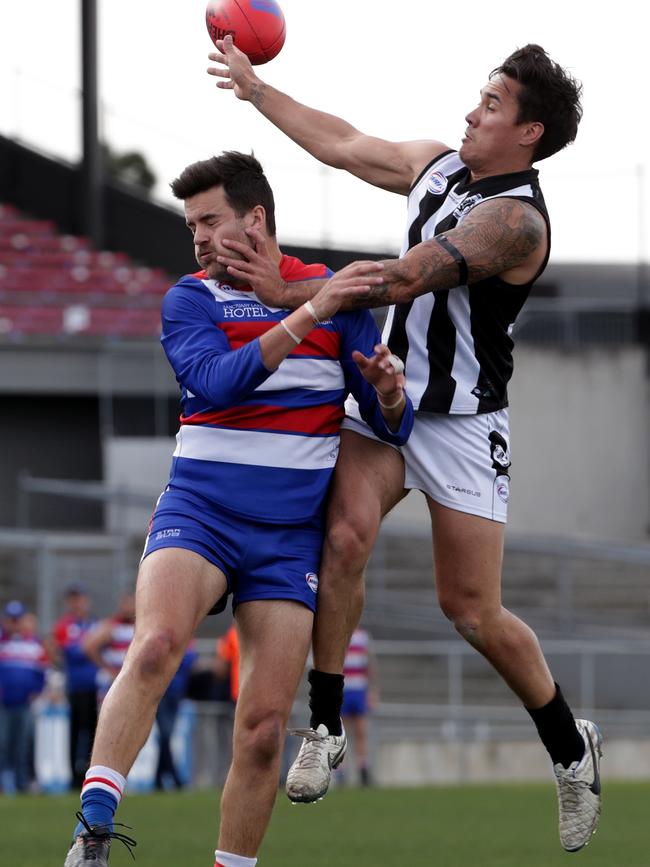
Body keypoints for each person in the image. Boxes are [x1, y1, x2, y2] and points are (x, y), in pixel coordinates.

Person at [208, 39, 602, 852]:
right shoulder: (439, 167)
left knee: (472, 610)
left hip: (464, 424)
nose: (471, 111)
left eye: (492, 105)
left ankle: (570, 746)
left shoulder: (517, 223)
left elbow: (408, 274)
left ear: (528, 133)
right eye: (480, 96)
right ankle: (326, 722)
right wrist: (255, 91)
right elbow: (344, 143)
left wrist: (290, 293)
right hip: (387, 401)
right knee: (344, 533)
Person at [62, 151, 413, 867]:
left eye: (210, 220)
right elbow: (217, 383)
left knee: (260, 732)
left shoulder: (335, 299)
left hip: (287, 538)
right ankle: (93, 832)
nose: (196, 236)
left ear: (256, 219)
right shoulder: (191, 298)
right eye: (191, 223)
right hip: (202, 511)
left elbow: (394, 431)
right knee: (156, 645)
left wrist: (387, 392)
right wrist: (310, 309)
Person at [52, 583, 99, 787]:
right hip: (76, 687)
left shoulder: (95, 625)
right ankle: (74, 776)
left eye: (79, 599)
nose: (77, 604)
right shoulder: (64, 626)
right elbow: (72, 652)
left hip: (95, 688)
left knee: (93, 733)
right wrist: (88, 648)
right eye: (73, 599)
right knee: (75, 732)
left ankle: (91, 774)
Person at [0, 600, 48, 793]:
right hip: (3, 703)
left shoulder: (33, 643)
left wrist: (37, 690)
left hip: (25, 703)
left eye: (17, 619)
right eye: (11, 619)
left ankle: (21, 781)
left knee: (22, 744)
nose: (14, 623)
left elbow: (41, 671)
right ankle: (3, 782)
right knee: (2, 743)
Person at [154, 643, 198, 791]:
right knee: (166, 735)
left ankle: (159, 778)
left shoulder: (187, 640)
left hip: (176, 694)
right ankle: (174, 777)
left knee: (167, 736)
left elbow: (188, 659)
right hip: (161, 693)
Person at [340, 626, 377, 786]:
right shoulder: (338, 634)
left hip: (359, 690)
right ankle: (340, 772)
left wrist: (373, 690)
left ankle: (363, 770)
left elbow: (370, 665)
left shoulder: (363, 636)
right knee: (342, 735)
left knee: (361, 732)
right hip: (342, 689)